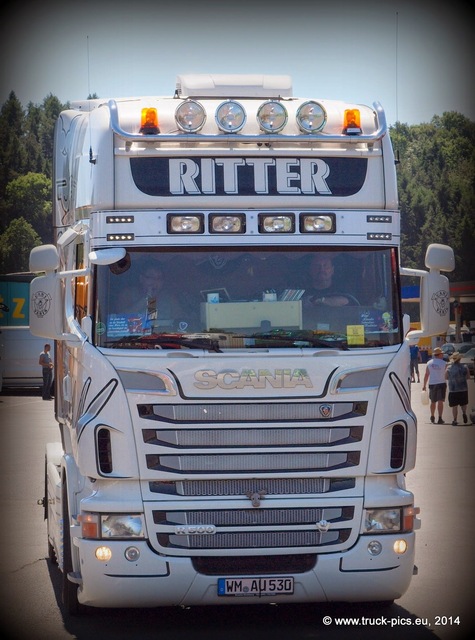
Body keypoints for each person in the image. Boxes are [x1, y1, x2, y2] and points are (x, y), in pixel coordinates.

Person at [117, 261, 182, 330]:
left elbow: (180, 323)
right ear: (141, 278)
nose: (155, 281)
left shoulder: (170, 299)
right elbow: (119, 321)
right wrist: (145, 299)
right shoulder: (128, 294)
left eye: (159, 278)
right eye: (151, 277)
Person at [422, 346, 447, 424]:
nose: (442, 355)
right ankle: (440, 418)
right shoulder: (444, 363)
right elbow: (446, 374)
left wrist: (424, 385)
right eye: (442, 354)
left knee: (433, 401)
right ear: (439, 355)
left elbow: (426, 374)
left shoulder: (429, 363)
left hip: (432, 383)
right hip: (441, 383)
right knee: (440, 401)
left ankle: (432, 416)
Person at [445, 352, 470, 426]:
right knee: (464, 403)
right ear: (460, 359)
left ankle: (455, 420)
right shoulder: (465, 367)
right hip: (463, 388)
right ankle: (464, 413)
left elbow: (445, 377)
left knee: (454, 406)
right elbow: (468, 377)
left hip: (453, 390)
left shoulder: (449, 368)